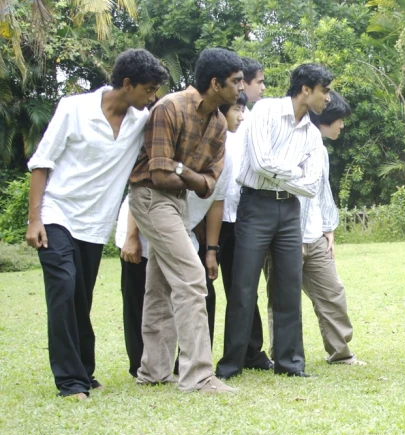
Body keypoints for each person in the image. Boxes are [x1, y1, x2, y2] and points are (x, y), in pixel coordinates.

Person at [26, 49, 168, 399]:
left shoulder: (140, 121)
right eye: (148, 90)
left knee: (81, 297)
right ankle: (70, 381)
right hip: (57, 213)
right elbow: (42, 162)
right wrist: (34, 220)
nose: (152, 98)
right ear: (127, 84)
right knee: (63, 289)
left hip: (94, 225)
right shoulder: (74, 108)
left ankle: (84, 372)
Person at [127, 47, 244, 394]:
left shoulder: (219, 123)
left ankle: (154, 371)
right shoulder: (169, 107)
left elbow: (209, 186)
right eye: (236, 82)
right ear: (215, 82)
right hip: (149, 198)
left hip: (177, 203)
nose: (241, 89)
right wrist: (187, 174)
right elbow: (159, 175)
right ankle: (198, 376)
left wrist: (181, 169)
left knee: (160, 286)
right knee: (193, 277)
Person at [217, 63, 331, 379]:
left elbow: (311, 186)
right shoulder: (264, 111)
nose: (328, 98)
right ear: (306, 89)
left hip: (290, 210)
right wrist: (294, 172)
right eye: (325, 90)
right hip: (255, 206)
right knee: (243, 287)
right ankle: (231, 364)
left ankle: (290, 363)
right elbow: (260, 162)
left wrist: (285, 175)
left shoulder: (311, 132)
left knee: (288, 287)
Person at [283, 91, 366, 365]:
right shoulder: (293, 142)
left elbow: (322, 192)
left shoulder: (321, 150)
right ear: (326, 118)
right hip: (287, 234)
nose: (342, 126)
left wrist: (328, 227)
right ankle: (285, 357)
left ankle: (340, 353)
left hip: (316, 237)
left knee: (332, 293)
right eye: (340, 120)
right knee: (284, 300)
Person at [217, 57, 274, 371]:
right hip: (211, 215)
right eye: (257, 82)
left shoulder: (256, 120)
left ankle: (250, 352)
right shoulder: (218, 118)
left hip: (243, 215)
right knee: (199, 289)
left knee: (242, 287)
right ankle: (188, 353)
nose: (261, 88)